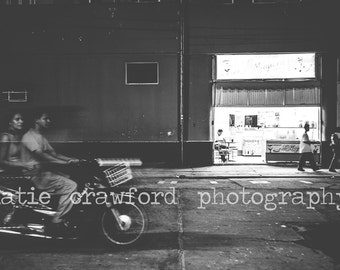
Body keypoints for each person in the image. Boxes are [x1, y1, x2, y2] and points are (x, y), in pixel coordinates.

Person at [21, 112, 79, 232]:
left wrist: (72, 159)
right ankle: (57, 220)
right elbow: (43, 156)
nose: (48, 121)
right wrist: (64, 163)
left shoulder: (40, 137)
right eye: (45, 119)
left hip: (42, 173)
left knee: (71, 177)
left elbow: (54, 154)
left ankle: (58, 212)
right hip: (35, 175)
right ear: (36, 120)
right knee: (72, 186)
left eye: (49, 119)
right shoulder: (29, 137)